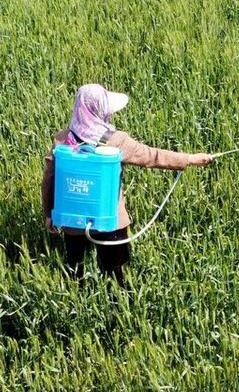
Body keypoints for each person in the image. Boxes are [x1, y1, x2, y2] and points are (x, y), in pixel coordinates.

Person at [41, 84, 213, 286]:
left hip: (73, 222)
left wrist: (49, 214)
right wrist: (189, 159)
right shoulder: (116, 141)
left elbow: (48, 180)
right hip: (110, 221)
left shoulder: (62, 140)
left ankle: (77, 299)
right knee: (116, 274)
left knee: (74, 268)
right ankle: (119, 307)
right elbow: (152, 156)